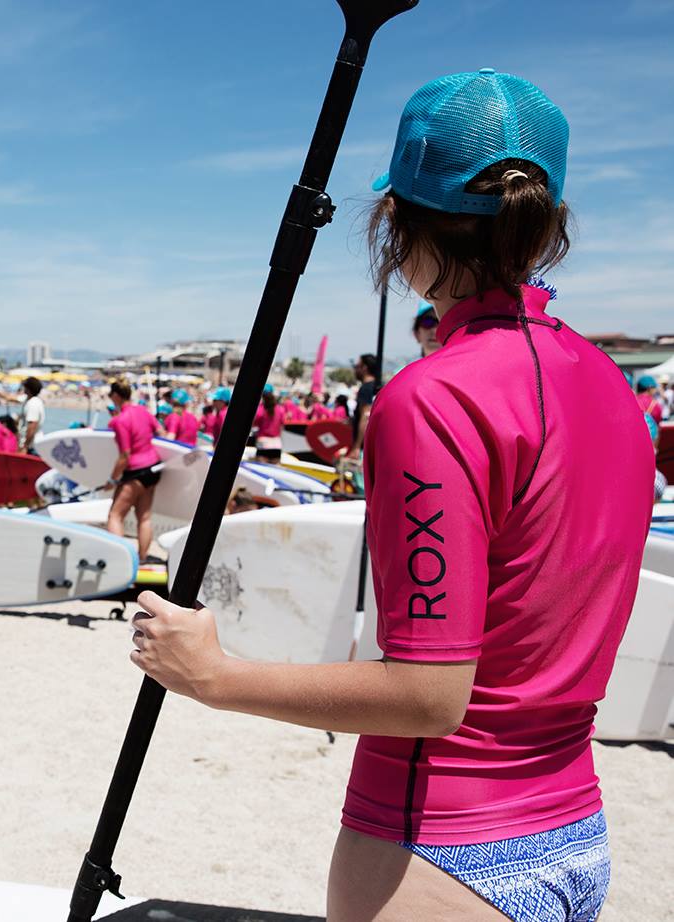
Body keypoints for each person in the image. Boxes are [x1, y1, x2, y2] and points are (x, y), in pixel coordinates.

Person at [129, 69, 650, 920]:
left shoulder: (432, 399)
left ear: (397, 220)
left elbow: (429, 696)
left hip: (442, 847)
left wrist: (214, 677)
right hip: (574, 829)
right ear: (547, 221)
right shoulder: (608, 385)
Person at [103, 379, 161, 561]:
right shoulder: (143, 411)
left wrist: (112, 480)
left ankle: (118, 559)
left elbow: (125, 455)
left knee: (115, 515)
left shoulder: (120, 421)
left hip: (136, 471)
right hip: (154, 469)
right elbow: (161, 432)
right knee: (144, 517)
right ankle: (142, 558)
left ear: (115, 396)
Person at [346, 353, 380, 458]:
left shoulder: (366, 388)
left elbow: (366, 417)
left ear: (364, 368)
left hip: (364, 448)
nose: (355, 370)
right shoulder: (378, 386)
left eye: (357, 366)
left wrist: (356, 447)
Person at [253, 384, 288, 463]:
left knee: (260, 469)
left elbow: (254, 424)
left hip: (263, 443)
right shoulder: (280, 409)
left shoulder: (260, 409)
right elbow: (282, 425)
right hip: (276, 444)